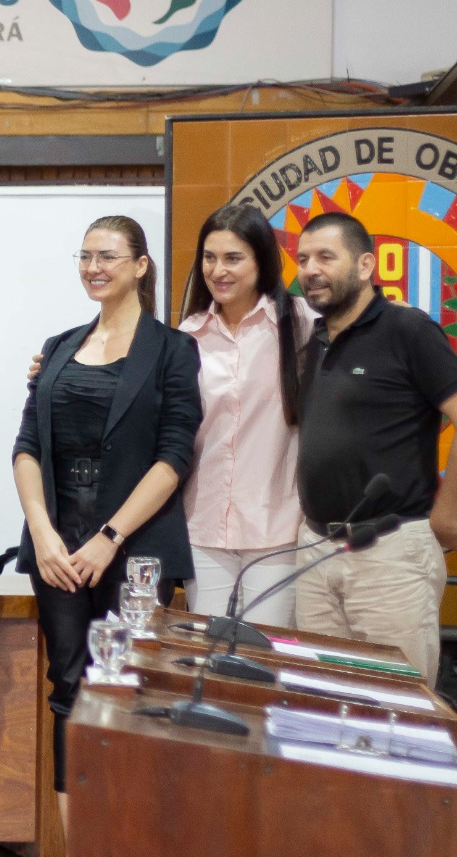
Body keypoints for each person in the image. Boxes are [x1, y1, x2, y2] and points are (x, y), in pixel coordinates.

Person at [11, 215, 200, 857]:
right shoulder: (59, 347)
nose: (94, 266)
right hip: (58, 550)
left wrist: (108, 538)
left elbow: (175, 455)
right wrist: (42, 531)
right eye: (85, 256)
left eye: (108, 255)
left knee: (132, 697)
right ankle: (82, 856)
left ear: (141, 265)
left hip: (133, 550)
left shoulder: (174, 350)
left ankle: (133, 850)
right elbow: (27, 445)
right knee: (71, 691)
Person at [292, 211, 457, 686]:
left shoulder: (408, 330)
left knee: (398, 713)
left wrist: (447, 516)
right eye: (303, 259)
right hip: (316, 550)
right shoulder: (314, 341)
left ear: (366, 266)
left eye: (326, 256)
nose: (311, 269)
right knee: (326, 708)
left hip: (389, 552)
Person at [176, 204, 311, 626]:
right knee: (205, 659)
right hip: (203, 527)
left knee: (265, 663)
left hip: (279, 530)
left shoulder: (303, 324)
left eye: (233, 258)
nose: (218, 270)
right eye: (210, 257)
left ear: (262, 261)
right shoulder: (185, 337)